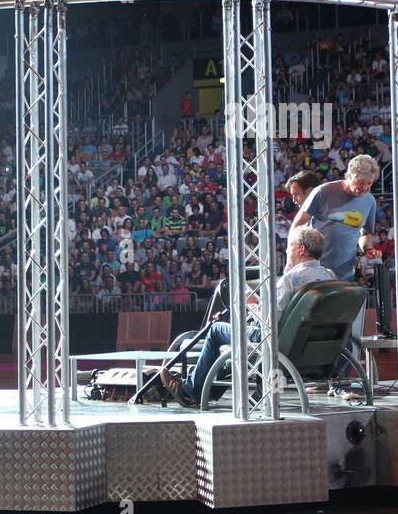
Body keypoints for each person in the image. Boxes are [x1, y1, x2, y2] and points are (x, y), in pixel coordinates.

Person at [160, 225, 337, 407]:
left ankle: (189, 390)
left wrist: (250, 303)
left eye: (290, 245)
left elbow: (269, 323)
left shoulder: (290, 280)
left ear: (301, 249)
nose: (287, 250)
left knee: (216, 330)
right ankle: (207, 390)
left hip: (274, 343)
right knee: (235, 342)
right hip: (314, 351)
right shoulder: (330, 277)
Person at [290, 154, 381, 378]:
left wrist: (367, 249)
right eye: (360, 183)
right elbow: (298, 224)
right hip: (315, 270)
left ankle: (339, 380)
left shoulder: (369, 201)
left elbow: (365, 234)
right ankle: (305, 375)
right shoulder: (323, 192)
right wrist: (295, 258)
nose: (364, 188)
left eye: (369, 184)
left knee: (344, 328)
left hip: (343, 272)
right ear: (350, 176)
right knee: (311, 324)